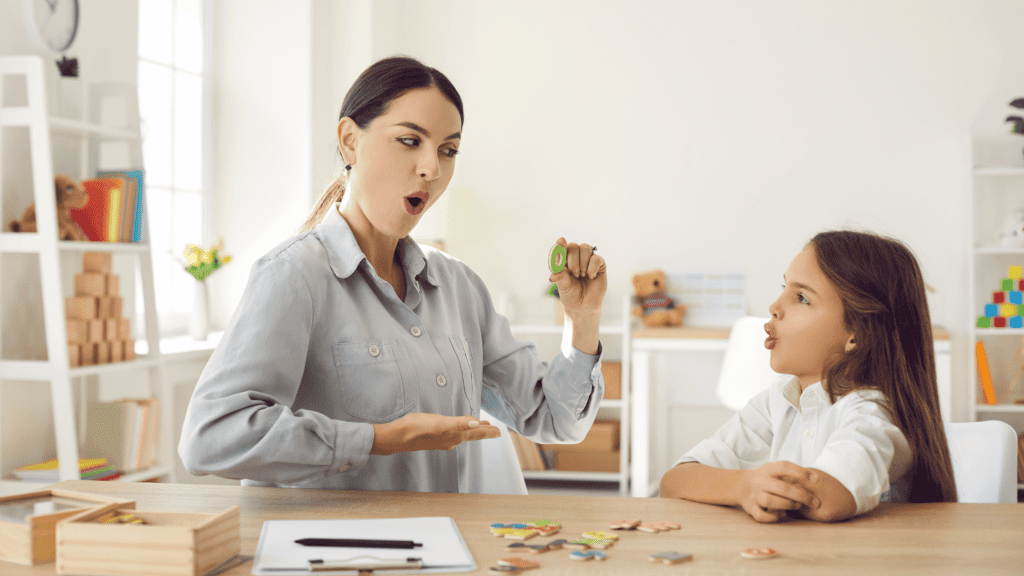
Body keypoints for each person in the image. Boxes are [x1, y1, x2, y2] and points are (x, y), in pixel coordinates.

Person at [178, 56, 608, 492]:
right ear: (350, 140)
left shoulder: (460, 287)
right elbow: (210, 437)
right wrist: (378, 440)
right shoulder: (293, 276)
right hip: (339, 556)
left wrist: (583, 319)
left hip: (454, 552)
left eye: (448, 150)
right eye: (409, 140)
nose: (432, 169)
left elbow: (555, 419)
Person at [660, 230, 957, 522]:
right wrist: (743, 486)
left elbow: (827, 499)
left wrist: (748, 486)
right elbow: (675, 481)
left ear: (857, 334)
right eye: (784, 288)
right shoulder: (779, 399)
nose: (774, 307)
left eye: (801, 298)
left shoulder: (872, 412)